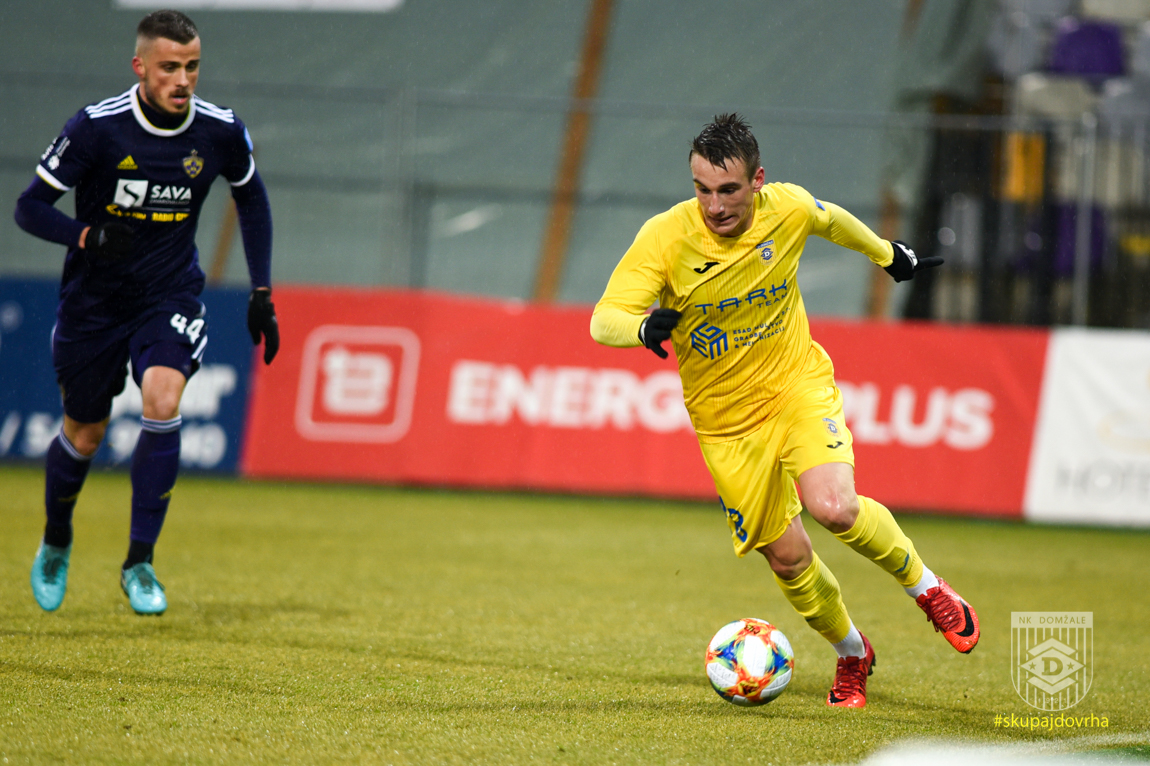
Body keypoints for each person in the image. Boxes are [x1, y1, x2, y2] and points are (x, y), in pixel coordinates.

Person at [590, 114, 978, 708]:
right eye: (702, 189)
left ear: (758, 181)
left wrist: (887, 255)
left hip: (796, 387)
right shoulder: (665, 237)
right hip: (726, 425)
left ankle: (928, 589)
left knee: (835, 507)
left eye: (728, 190)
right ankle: (853, 653)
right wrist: (641, 328)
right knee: (789, 558)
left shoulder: (786, 208)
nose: (714, 206)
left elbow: (828, 218)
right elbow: (604, 319)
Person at [14, 10, 278, 616]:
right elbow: (30, 208)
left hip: (169, 296)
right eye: (169, 67)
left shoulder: (218, 131)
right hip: (94, 304)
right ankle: (56, 539)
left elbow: (252, 200)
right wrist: (86, 237)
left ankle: (139, 563)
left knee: (163, 400)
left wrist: (262, 291)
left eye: (192, 67)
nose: (182, 80)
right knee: (85, 433)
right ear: (140, 66)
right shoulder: (96, 128)